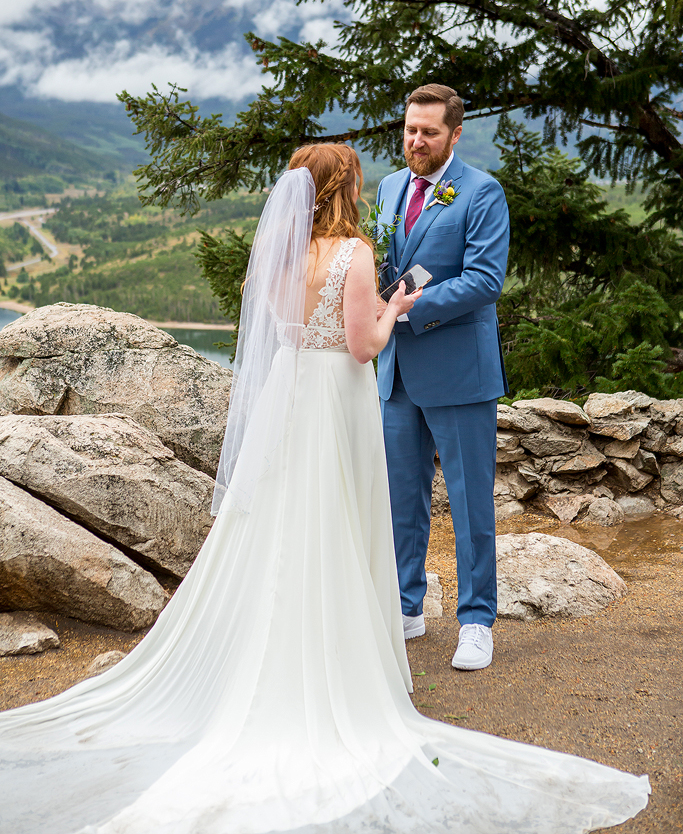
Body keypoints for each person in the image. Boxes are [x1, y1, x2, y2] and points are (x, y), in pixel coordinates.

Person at [0, 143, 648, 833]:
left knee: (283, 518)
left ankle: (275, 646)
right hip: (337, 395)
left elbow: (284, 331)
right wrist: (396, 307)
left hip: (289, 393)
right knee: (340, 513)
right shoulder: (353, 253)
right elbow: (363, 345)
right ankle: (340, 650)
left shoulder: (276, 256)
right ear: (343, 187)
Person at [376, 84, 509, 669]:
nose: (416, 141)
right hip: (396, 372)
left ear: (455, 134)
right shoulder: (388, 187)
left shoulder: (482, 192)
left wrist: (408, 307)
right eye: (410, 129)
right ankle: (406, 607)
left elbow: (485, 280)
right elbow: (383, 261)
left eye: (428, 132)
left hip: (459, 372)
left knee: (470, 500)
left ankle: (476, 621)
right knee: (400, 498)